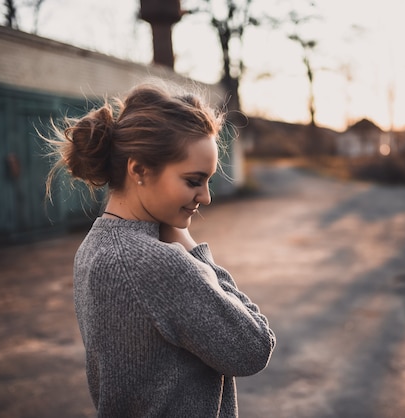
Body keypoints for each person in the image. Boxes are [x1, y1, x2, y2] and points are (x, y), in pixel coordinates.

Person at [45, 81, 276, 417]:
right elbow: (253, 347)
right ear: (139, 170)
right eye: (193, 181)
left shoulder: (94, 247)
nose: (206, 197)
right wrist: (191, 249)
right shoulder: (156, 262)